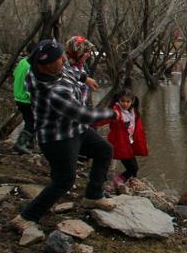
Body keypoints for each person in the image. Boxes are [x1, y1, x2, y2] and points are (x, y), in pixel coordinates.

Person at [10, 39, 121, 233]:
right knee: (64, 181)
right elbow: (84, 115)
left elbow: (72, 72)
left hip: (75, 129)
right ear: (45, 67)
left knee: (104, 150)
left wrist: (84, 78)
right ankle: (26, 217)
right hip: (58, 138)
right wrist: (112, 114)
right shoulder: (53, 92)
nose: (64, 59)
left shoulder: (52, 69)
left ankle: (93, 196)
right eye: (59, 59)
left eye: (63, 55)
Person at [97, 89, 149, 193]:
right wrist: (87, 122)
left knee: (134, 168)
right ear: (118, 100)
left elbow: (138, 129)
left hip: (129, 144)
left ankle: (131, 185)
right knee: (133, 168)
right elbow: (103, 119)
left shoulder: (133, 111)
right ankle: (113, 184)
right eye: (122, 101)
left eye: (128, 101)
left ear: (132, 101)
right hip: (120, 144)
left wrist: (144, 143)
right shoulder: (116, 111)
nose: (125, 104)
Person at [12, 42, 37, 154]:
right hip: (26, 99)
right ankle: (21, 144)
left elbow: (14, 75)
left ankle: (29, 143)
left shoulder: (22, 62)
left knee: (30, 121)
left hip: (17, 97)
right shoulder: (31, 66)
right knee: (31, 122)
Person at [64, 35, 98, 107]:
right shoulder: (65, 68)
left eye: (90, 52)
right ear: (78, 52)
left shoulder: (81, 66)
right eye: (87, 52)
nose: (89, 55)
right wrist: (85, 79)